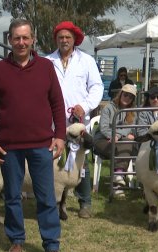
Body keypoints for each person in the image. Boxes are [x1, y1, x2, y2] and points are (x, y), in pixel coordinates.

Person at [0, 19, 66, 252]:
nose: (21, 42)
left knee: (46, 197)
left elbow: (57, 104)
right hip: (9, 146)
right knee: (12, 198)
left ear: (33, 40)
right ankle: (16, 240)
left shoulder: (46, 68)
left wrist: (60, 135)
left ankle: (51, 245)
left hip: (41, 144)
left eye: (25, 38)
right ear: (9, 40)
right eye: (16, 38)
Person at [46, 21, 104, 218]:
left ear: (74, 39)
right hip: (53, 121)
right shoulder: (47, 61)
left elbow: (97, 87)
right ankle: (54, 201)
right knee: (54, 161)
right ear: (56, 39)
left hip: (78, 120)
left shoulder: (86, 61)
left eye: (67, 37)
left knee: (81, 162)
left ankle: (84, 202)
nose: (64, 40)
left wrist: (86, 105)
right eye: (60, 37)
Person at [93, 84, 138, 197]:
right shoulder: (108, 107)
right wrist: (114, 136)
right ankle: (118, 180)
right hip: (103, 140)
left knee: (126, 143)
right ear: (121, 93)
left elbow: (130, 128)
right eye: (125, 94)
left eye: (130, 96)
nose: (127, 97)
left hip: (120, 142)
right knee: (126, 143)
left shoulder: (132, 112)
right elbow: (103, 128)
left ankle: (118, 178)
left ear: (133, 99)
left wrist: (117, 136)